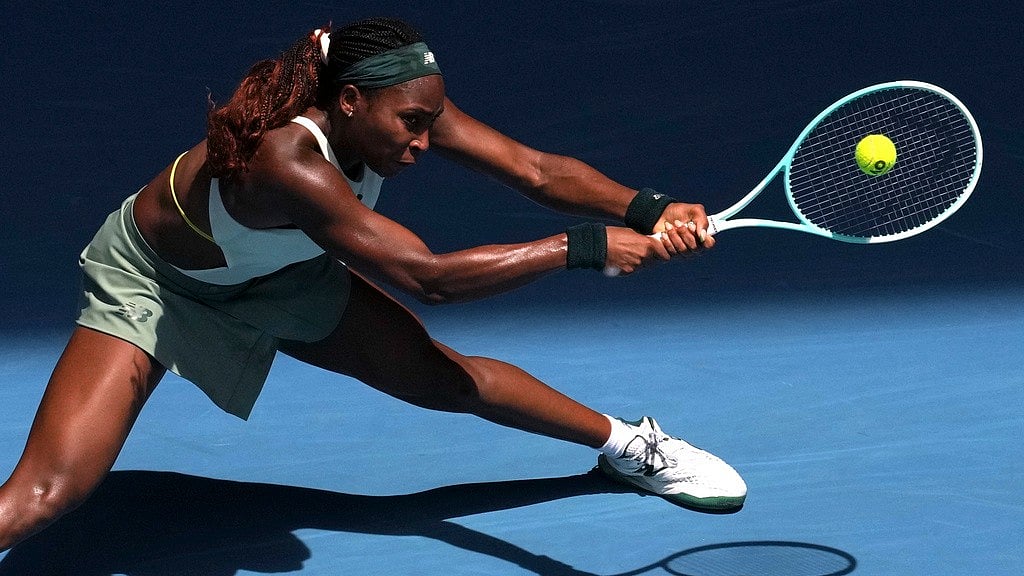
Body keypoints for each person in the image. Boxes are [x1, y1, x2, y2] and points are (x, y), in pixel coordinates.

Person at [0, 17, 745, 551]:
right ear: (350, 102)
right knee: (48, 495)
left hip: (277, 272)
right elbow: (429, 278)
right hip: (158, 285)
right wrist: (584, 247)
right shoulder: (286, 160)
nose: (424, 144)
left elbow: (537, 170)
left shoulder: (400, 96)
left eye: (430, 122)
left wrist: (645, 208)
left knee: (444, 380)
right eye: (411, 125)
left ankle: (630, 450)